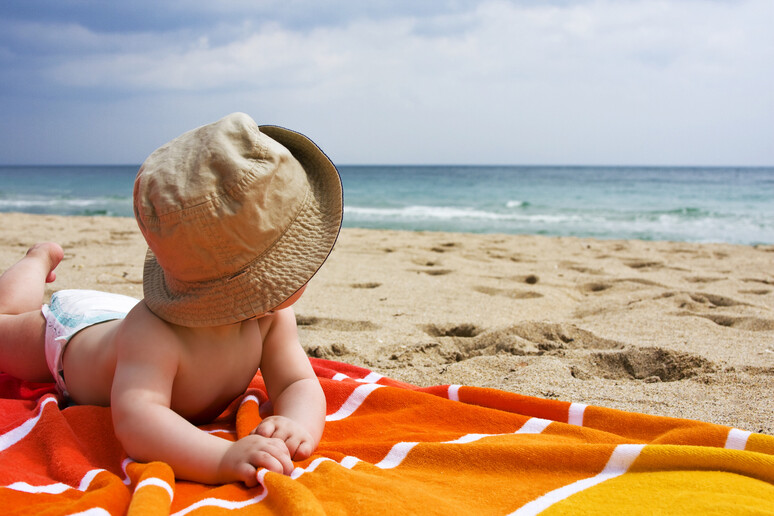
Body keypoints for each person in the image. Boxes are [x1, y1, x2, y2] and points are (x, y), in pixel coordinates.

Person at [0, 113, 343, 486]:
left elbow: (297, 382)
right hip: (72, 338)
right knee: (6, 324)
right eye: (297, 255)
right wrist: (221, 457)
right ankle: (37, 260)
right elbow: (138, 420)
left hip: (119, 322)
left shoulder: (271, 318)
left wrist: (297, 422)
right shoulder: (154, 334)